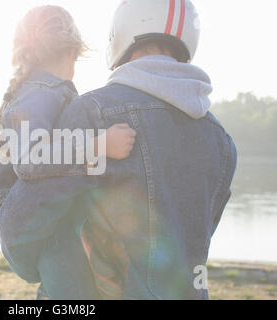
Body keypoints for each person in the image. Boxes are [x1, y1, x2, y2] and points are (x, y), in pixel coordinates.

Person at [47, 0, 237, 299]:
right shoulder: (221, 140)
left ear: (121, 34)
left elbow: (49, 217)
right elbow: (200, 234)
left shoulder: (92, 111)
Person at [0, 5, 136, 299]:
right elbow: (30, 160)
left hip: (52, 220)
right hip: (50, 227)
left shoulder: (37, 92)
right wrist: (98, 144)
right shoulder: (41, 93)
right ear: (70, 53)